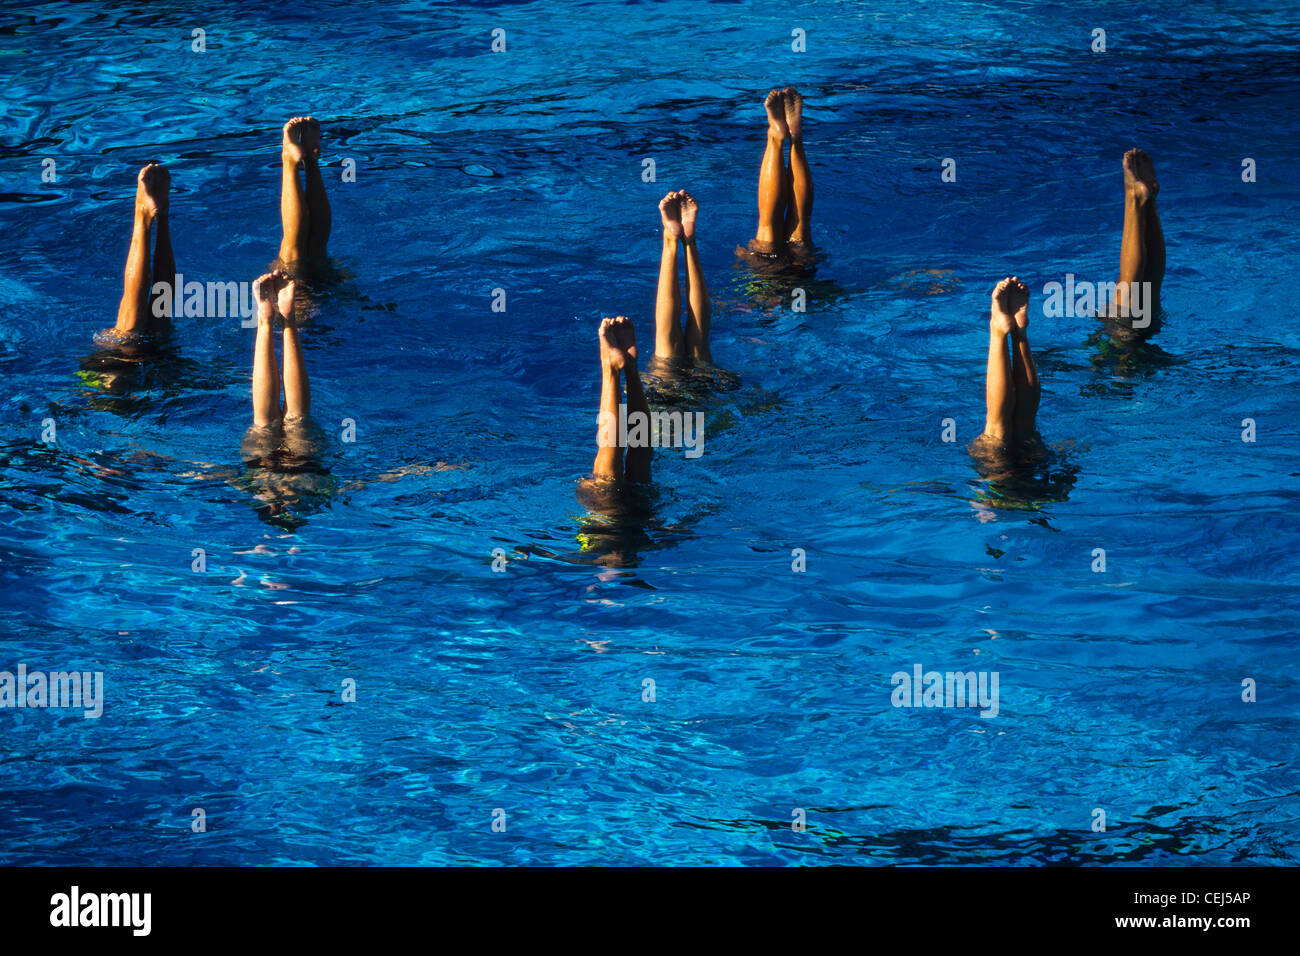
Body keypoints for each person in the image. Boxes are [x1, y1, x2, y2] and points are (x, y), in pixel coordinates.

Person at [95, 163, 175, 347]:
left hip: (161, 363)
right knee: (131, 333)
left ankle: (156, 215)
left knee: (157, 320)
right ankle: (150, 216)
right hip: (160, 365)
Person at [738, 87, 813, 263]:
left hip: (800, 274)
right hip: (768, 279)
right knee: (768, 229)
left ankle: (792, 138)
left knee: (799, 231)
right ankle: (779, 138)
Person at [1110, 148, 1166, 336]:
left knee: (1150, 289)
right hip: (1121, 344)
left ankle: (1149, 202)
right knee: (1125, 292)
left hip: (1151, 334)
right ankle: (1133, 198)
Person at [277, 116, 331, 272]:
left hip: (323, 289)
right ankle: (307, 159)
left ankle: (298, 159)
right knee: (309, 251)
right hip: (325, 288)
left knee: (313, 249)